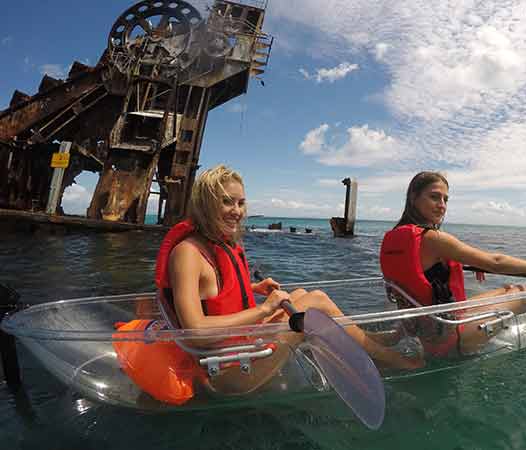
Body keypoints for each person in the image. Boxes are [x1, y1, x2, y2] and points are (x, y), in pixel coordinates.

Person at [157, 165, 421, 395]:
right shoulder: (187, 254)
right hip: (226, 373)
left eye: (240, 203)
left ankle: (372, 346)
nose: (236, 211)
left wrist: (253, 288)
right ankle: (386, 358)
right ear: (205, 204)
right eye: (226, 202)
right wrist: (264, 308)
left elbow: (213, 294)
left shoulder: (215, 244)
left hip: (242, 349)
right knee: (314, 302)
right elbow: (195, 333)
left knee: (303, 293)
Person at [380, 171, 526, 358]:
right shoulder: (432, 239)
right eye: (434, 197)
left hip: (425, 331)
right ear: (414, 198)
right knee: (524, 298)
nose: (442, 205)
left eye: (445, 199)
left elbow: (426, 271)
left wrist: (464, 264)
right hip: (450, 338)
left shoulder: (394, 238)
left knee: (512, 288)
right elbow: (496, 262)